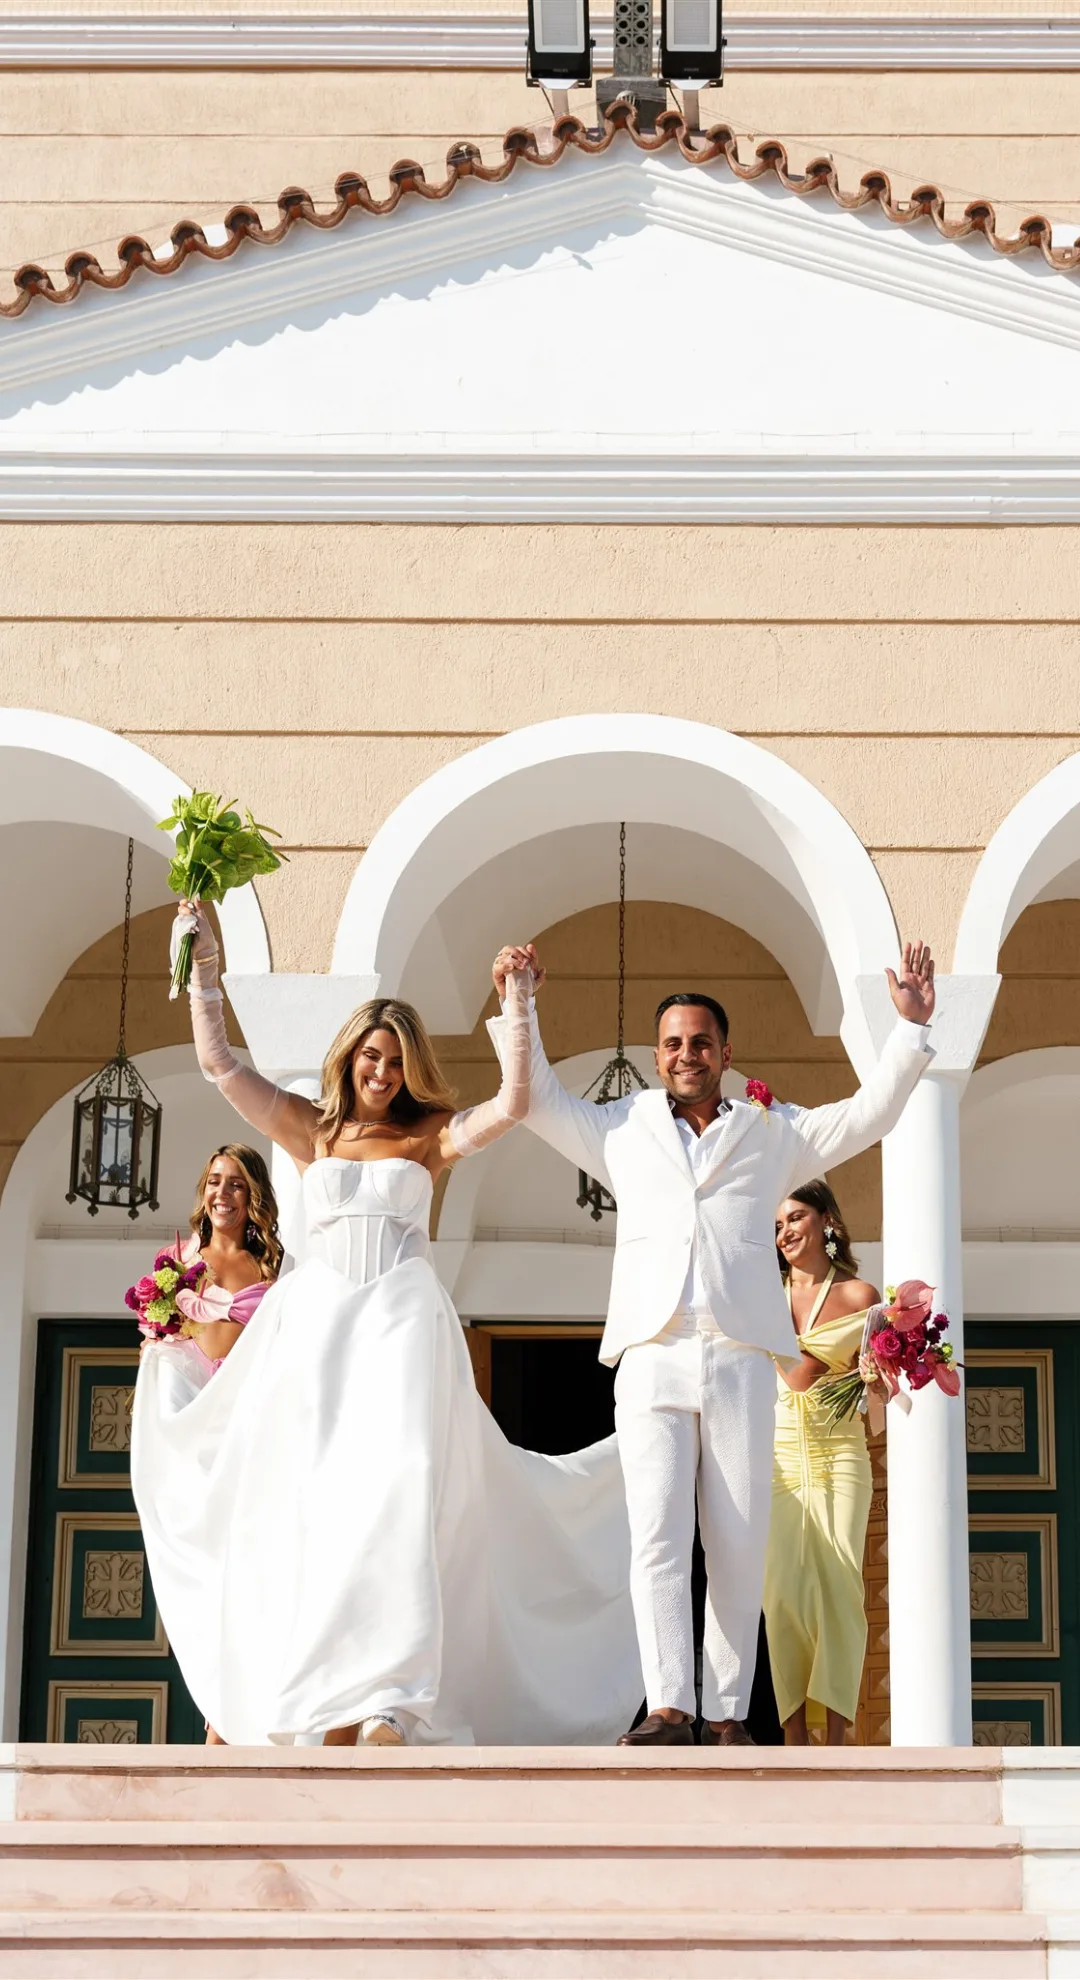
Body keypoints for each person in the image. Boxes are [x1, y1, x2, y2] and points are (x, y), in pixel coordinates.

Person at [130, 903, 640, 1749]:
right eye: (371, 1054)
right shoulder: (310, 1128)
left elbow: (513, 1101)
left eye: (396, 1059)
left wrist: (518, 1004)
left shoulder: (429, 1136)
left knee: (403, 1487)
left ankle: (394, 1702)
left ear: (410, 1069)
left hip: (402, 1320)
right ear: (349, 1059)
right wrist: (206, 972)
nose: (381, 1069)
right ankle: (331, 1696)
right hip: (320, 1323)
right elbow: (219, 1066)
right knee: (325, 1503)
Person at [488, 940, 935, 1746]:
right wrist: (519, 1003)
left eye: (700, 1042)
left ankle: (727, 1713)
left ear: (726, 1053)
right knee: (656, 1537)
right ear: (656, 1056)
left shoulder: (773, 1131)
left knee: (736, 1542)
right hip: (651, 1352)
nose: (685, 1054)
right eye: (671, 1044)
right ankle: (670, 1706)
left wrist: (908, 1032)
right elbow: (538, 1099)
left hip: (739, 1356)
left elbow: (866, 1116)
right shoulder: (618, 1129)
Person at [136, 1144, 282, 1743]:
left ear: (253, 1200)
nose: (224, 1193)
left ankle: (224, 1718)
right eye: (216, 1181)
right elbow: (156, 1340)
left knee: (242, 1573)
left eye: (238, 1185)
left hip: (241, 1429)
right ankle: (215, 1711)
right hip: (194, 1418)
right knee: (202, 1571)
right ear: (204, 1191)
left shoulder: (269, 1272)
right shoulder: (178, 1259)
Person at [764, 1182, 879, 1746]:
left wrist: (877, 1377)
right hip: (777, 1457)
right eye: (778, 1225)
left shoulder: (862, 1297)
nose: (785, 1231)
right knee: (780, 1591)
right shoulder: (763, 1293)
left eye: (795, 1217)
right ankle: (791, 1733)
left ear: (827, 1219)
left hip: (841, 1454)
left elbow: (863, 1389)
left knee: (837, 1582)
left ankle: (835, 1733)